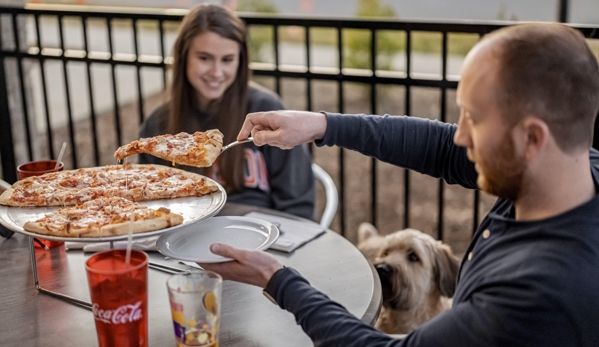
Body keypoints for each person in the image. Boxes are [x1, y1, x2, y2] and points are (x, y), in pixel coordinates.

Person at [200, 23, 599, 346]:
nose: (459, 136)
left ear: (532, 138)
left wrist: (278, 279)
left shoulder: (541, 292)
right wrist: (321, 124)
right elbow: (440, 147)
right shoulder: (569, 172)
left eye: (473, 119)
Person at [138, 4, 315, 220]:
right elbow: (149, 206)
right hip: (185, 238)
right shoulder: (159, 123)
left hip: (262, 236)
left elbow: (297, 206)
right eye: (204, 58)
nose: (216, 72)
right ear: (184, 57)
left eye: (227, 60)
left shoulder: (266, 110)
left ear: (240, 61)